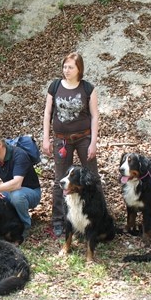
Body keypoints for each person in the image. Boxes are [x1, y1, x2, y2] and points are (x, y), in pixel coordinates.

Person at [42, 52, 100, 237]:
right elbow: (47, 114)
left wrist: (93, 142)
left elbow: (95, 116)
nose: (67, 70)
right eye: (65, 66)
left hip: (84, 138)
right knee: (61, 179)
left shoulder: (87, 88)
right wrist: (46, 138)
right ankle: (59, 220)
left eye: (71, 67)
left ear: (79, 69)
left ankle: (96, 215)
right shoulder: (55, 86)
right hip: (62, 140)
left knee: (92, 177)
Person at [0, 127, 41, 240]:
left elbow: (17, 184)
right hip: (9, 190)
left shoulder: (19, 155)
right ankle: (2, 228)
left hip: (31, 192)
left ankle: (25, 226)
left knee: (17, 195)